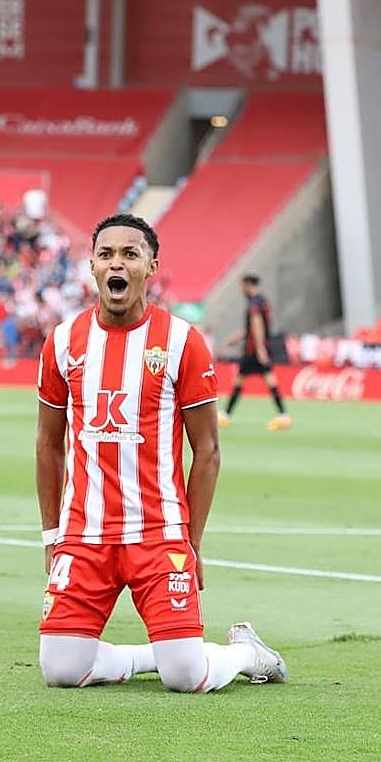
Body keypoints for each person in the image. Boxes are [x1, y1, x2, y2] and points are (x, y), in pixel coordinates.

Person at [35, 213, 287, 692]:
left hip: (158, 532)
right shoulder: (64, 341)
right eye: (107, 254)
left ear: (151, 266)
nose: (118, 263)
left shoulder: (181, 342)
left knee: (187, 677)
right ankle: (159, 653)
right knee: (62, 670)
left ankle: (243, 651)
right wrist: (52, 535)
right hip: (85, 534)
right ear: (91, 265)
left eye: (130, 254)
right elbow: (48, 444)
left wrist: (192, 543)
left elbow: (208, 451)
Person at [218, 275, 290, 430]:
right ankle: (283, 415)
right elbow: (254, 328)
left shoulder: (254, 304)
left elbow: (256, 326)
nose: (241, 289)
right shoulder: (264, 301)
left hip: (253, 350)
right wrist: (236, 338)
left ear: (248, 285)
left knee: (239, 381)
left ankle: (226, 415)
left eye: (242, 286)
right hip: (260, 347)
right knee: (269, 380)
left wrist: (259, 349)